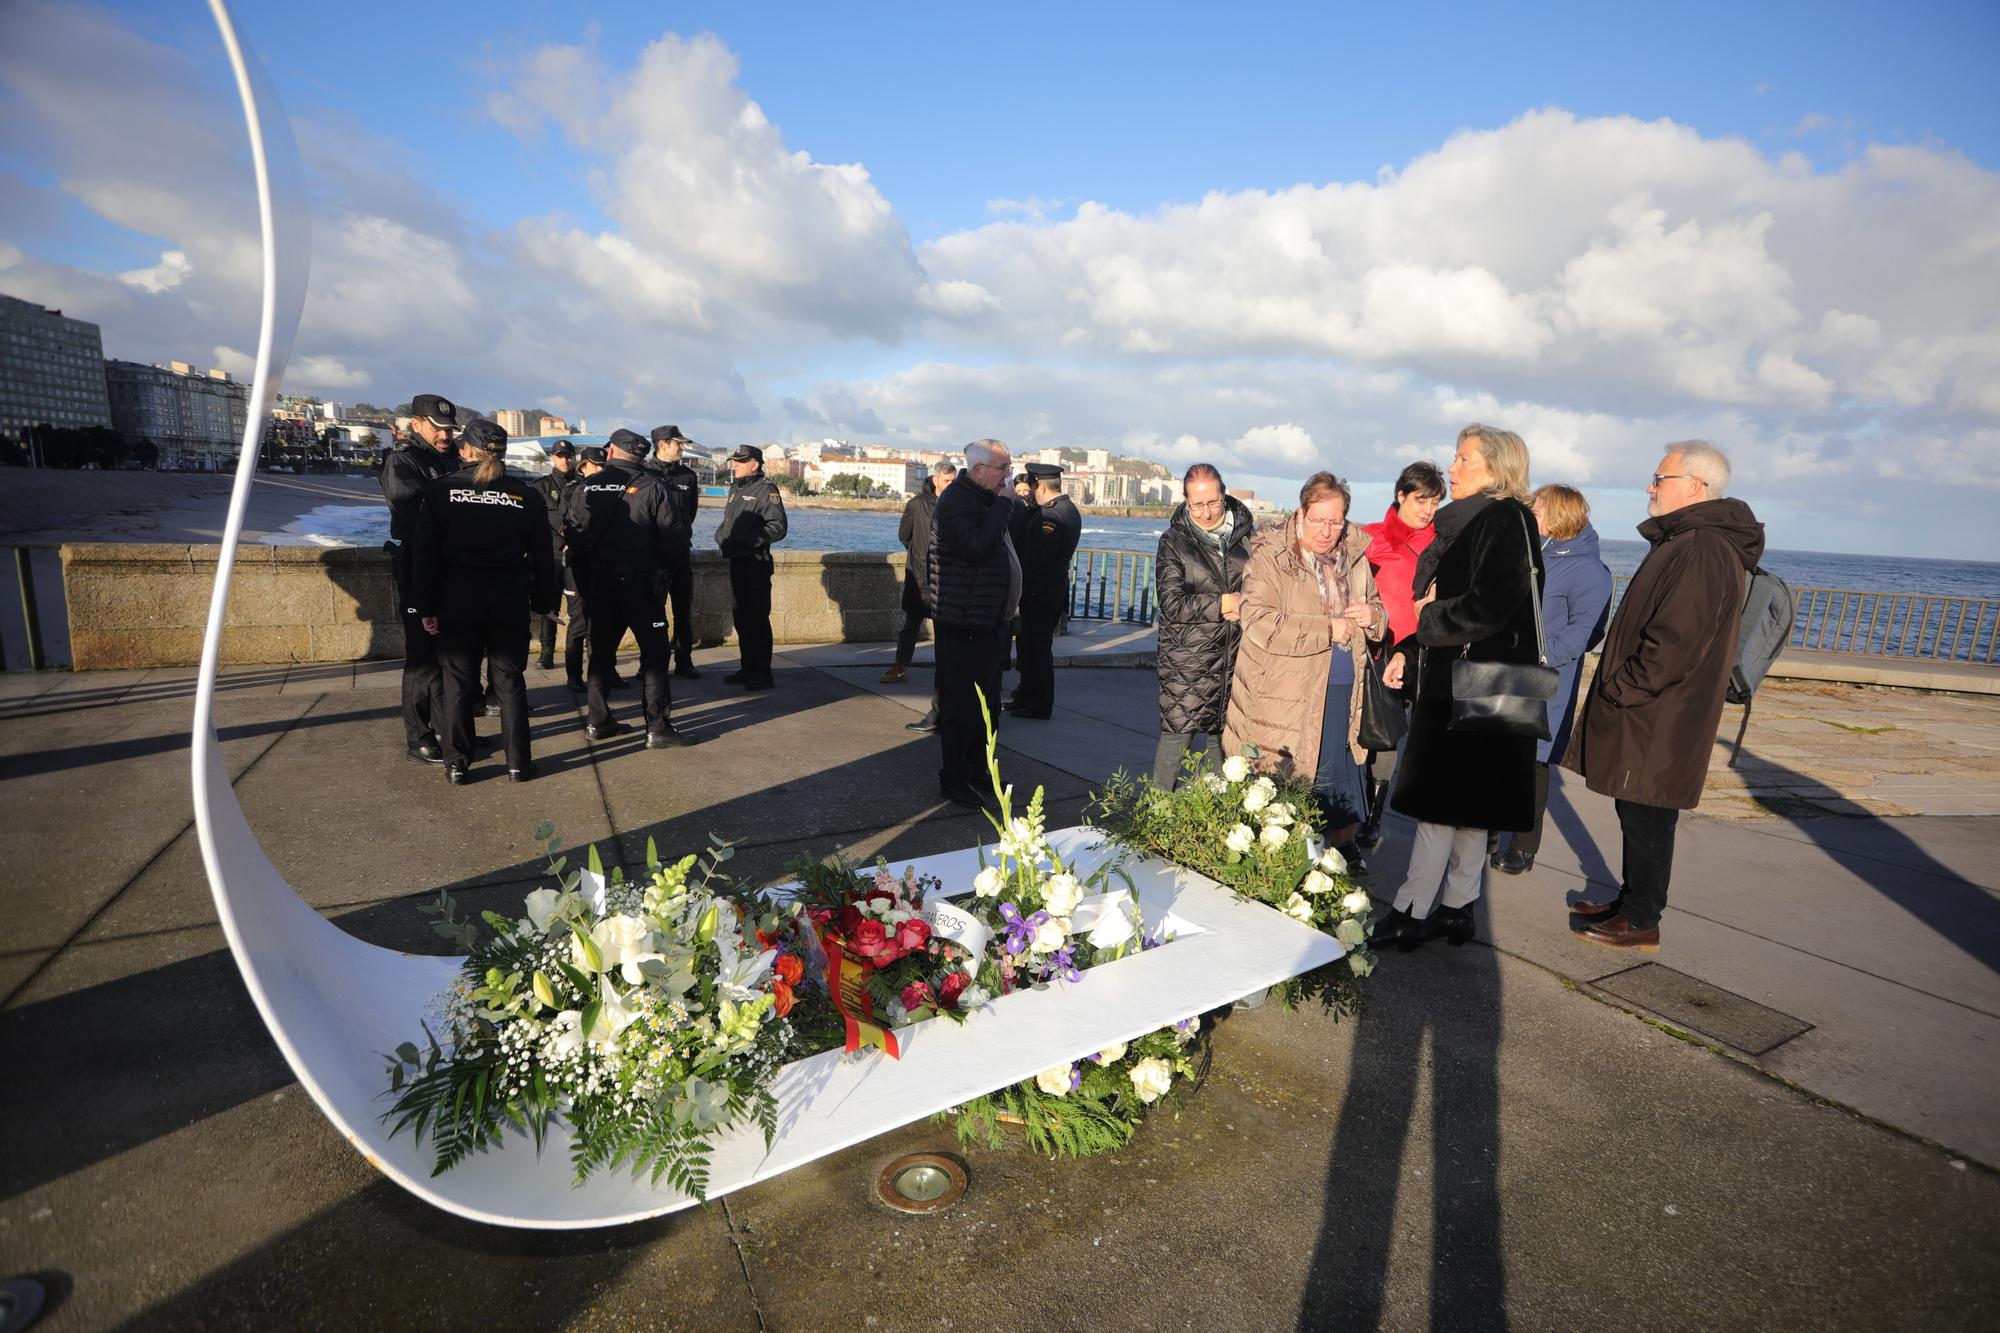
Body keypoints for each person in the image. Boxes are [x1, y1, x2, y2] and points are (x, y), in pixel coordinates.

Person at [1564, 442, 1764, 950]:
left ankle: (1641, 917)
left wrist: (1622, 686)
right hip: (1656, 710)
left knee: (1649, 811)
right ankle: (1632, 901)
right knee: (1639, 809)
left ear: (1696, 486)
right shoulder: (1692, 541)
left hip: (1659, 714)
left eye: (1660, 477)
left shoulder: (1701, 547)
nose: (1650, 487)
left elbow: (1675, 640)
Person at [1377, 425, 1543, 949]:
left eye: (1463, 458)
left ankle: (1411, 910)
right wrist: (1413, 645)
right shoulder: (1493, 519)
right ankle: (1457, 907)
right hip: (1478, 685)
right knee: (1472, 809)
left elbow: (1490, 604)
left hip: (1466, 687)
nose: (1451, 468)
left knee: (1440, 808)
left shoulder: (1500, 519)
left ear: (1494, 468)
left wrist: (1428, 618)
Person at [1222, 472, 1386, 862]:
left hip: (1346, 690)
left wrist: (1374, 615)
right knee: (1287, 787)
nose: (1328, 531)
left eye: (1336, 521)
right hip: (1284, 695)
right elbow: (1260, 621)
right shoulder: (1271, 556)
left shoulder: (1357, 557)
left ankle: (1339, 857)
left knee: (1341, 778)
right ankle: (1283, 866)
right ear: (1300, 512)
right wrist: (1328, 628)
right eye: (1318, 520)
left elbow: (1379, 612)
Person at [412, 419, 559, 784]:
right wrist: (543, 603)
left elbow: (424, 556)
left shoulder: (439, 492)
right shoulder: (526, 496)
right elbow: (544, 557)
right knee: (509, 680)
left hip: (457, 598)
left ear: (465, 451)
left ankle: (457, 764)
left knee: (458, 683)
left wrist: (426, 607)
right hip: (507, 598)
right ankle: (518, 763)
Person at [1490, 484, 1612, 875]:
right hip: (1509, 669)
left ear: (1557, 514)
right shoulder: (1532, 552)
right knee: (1500, 755)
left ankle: (1524, 846)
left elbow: (1586, 632)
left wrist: (1541, 655)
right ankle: (1489, 832)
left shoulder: (1589, 570)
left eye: (1537, 507)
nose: (1531, 511)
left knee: (1532, 763)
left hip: (1546, 678)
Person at [565, 428, 692, 747]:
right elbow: (676, 538)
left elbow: (574, 535)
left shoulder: (587, 486)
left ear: (610, 452)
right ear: (641, 455)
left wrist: (585, 581)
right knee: (655, 653)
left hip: (600, 582)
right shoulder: (654, 486)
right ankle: (657, 726)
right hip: (642, 584)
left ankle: (597, 720)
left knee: (601, 651)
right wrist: (665, 573)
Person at [929, 438, 1022, 808]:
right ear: (980, 469)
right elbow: (977, 546)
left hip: (988, 621)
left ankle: (977, 768)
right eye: (1003, 470)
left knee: (987, 707)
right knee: (962, 705)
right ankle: (953, 778)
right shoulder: (955, 502)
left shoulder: (982, 498)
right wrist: (1003, 504)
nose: (1008, 477)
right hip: (963, 620)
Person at [1358, 460, 1446, 846]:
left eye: (1435, 502)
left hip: (1417, 652)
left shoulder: (1444, 543)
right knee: (1360, 732)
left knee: (1391, 735)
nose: (1428, 510)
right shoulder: (1370, 538)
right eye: (1421, 499)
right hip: (1372, 645)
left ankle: (1374, 816)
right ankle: (1354, 806)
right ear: (1401, 496)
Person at [1152, 463, 1254, 787]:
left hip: (1236, 655)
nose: (1207, 512)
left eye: (1213, 502)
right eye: (1197, 504)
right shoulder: (1172, 541)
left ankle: (1216, 820)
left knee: (1223, 746)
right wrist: (1224, 603)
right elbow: (1171, 604)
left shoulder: (1248, 537)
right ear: (1185, 501)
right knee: (1176, 741)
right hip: (1188, 660)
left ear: (1225, 495)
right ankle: (1154, 820)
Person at [380, 392, 460, 764]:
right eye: (438, 428)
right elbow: (413, 512)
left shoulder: (452, 461)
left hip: (451, 568)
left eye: (450, 429)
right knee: (422, 658)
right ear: (417, 424)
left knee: (449, 656)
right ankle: (419, 736)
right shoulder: (402, 461)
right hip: (418, 567)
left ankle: (449, 731)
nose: (446, 435)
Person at [1008, 461, 1082, 720]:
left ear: (1039, 486)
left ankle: (1039, 704)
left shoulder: (1051, 515)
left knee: (1038, 650)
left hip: (1041, 594)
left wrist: (1028, 593)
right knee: (1030, 647)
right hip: (1050, 592)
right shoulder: (1067, 508)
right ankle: (1027, 696)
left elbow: (1041, 562)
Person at [717, 444, 787, 691]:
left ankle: (762, 673)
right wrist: (721, 536)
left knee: (757, 619)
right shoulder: (736, 488)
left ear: (755, 464)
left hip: (755, 564)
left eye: (740, 461)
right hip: (737, 562)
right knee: (742, 618)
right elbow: (729, 522)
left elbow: (778, 526)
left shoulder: (766, 490)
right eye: (734, 461)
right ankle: (747, 668)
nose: (734, 465)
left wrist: (750, 541)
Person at [884, 459, 955, 696]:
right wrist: (919, 554)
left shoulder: (958, 504)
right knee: (911, 624)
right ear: (935, 480)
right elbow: (904, 535)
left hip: (946, 576)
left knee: (945, 628)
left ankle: (947, 670)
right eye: (947, 480)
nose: (951, 484)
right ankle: (900, 664)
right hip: (920, 574)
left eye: (953, 481)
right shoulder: (917, 504)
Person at [648, 425, 703, 678]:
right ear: (662, 445)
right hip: (652, 555)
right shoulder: (643, 473)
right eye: (677, 443)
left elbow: (690, 514)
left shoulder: (688, 477)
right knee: (651, 612)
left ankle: (684, 661)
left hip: (680, 553)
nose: (682, 447)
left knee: (683, 610)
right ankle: (649, 663)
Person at [531, 441, 576, 674]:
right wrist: (561, 543)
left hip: (576, 556)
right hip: (552, 556)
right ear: (552, 458)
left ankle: (576, 652)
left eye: (568, 456)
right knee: (549, 606)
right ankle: (546, 652)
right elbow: (536, 521)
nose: (565, 460)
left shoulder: (582, 485)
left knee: (578, 608)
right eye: (560, 456)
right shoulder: (541, 486)